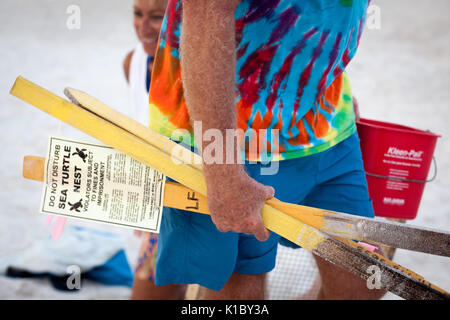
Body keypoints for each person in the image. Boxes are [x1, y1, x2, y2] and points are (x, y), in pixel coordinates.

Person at [148, 0, 386, 299]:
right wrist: (222, 170)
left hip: (322, 120)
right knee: (239, 292)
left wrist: (325, 74)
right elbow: (207, 9)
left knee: (362, 285)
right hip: (225, 131)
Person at [122, 0, 186, 300]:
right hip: (159, 199)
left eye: (156, 18)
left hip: (196, 197)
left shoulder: (195, 71)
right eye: (138, 14)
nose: (143, 27)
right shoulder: (132, 62)